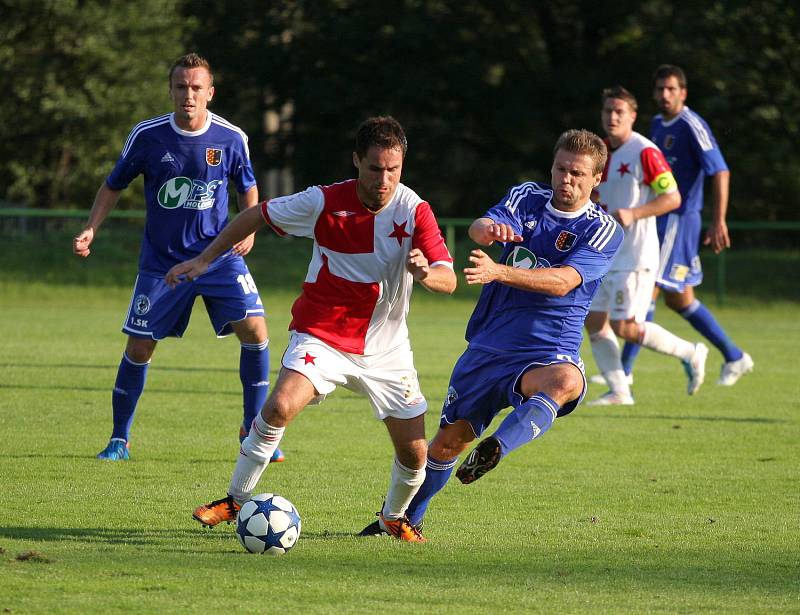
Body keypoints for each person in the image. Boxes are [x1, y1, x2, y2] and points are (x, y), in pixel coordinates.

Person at [168, 116, 456, 542]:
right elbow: (256, 214)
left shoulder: (414, 211)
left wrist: (426, 273)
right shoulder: (323, 202)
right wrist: (204, 261)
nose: (384, 179)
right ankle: (234, 499)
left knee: (415, 454)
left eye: (393, 169)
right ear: (357, 160)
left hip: (387, 347)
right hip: (322, 332)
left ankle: (393, 517)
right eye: (375, 168)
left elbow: (448, 279)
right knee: (280, 406)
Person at [360, 129, 623, 535]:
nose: (566, 180)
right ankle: (399, 520)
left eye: (577, 174)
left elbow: (564, 282)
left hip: (548, 347)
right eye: (560, 169)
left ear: (596, 179)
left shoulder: (602, 228)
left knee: (567, 380)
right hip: (490, 344)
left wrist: (499, 270)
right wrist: (488, 231)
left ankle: (499, 445)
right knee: (446, 445)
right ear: (551, 167)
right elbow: (482, 227)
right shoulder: (527, 197)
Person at [73, 53, 284, 463]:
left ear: (210, 92)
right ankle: (119, 439)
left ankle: (252, 431)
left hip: (218, 257)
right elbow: (113, 185)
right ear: (170, 90)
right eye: (181, 87)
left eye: (196, 88)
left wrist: (249, 228)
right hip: (163, 264)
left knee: (256, 333)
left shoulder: (230, 137)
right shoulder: (148, 136)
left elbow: (248, 187)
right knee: (139, 348)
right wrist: (92, 227)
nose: (188, 95)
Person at [619, 65, 753, 386]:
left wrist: (718, 220)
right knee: (679, 299)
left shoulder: (692, 125)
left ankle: (622, 373)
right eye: (660, 89)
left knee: (647, 289)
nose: (665, 95)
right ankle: (734, 356)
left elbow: (720, 171)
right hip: (658, 218)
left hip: (679, 222)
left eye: (671, 89)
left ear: (683, 93)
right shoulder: (655, 123)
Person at [584, 86, 708, 406]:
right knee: (594, 321)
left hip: (636, 255)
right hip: (607, 253)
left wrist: (634, 213)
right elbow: (599, 195)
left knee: (624, 326)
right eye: (608, 111)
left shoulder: (646, 151)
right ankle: (619, 391)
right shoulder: (601, 153)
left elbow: (673, 197)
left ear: (632, 116)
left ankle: (691, 352)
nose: (612, 117)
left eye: (619, 112)